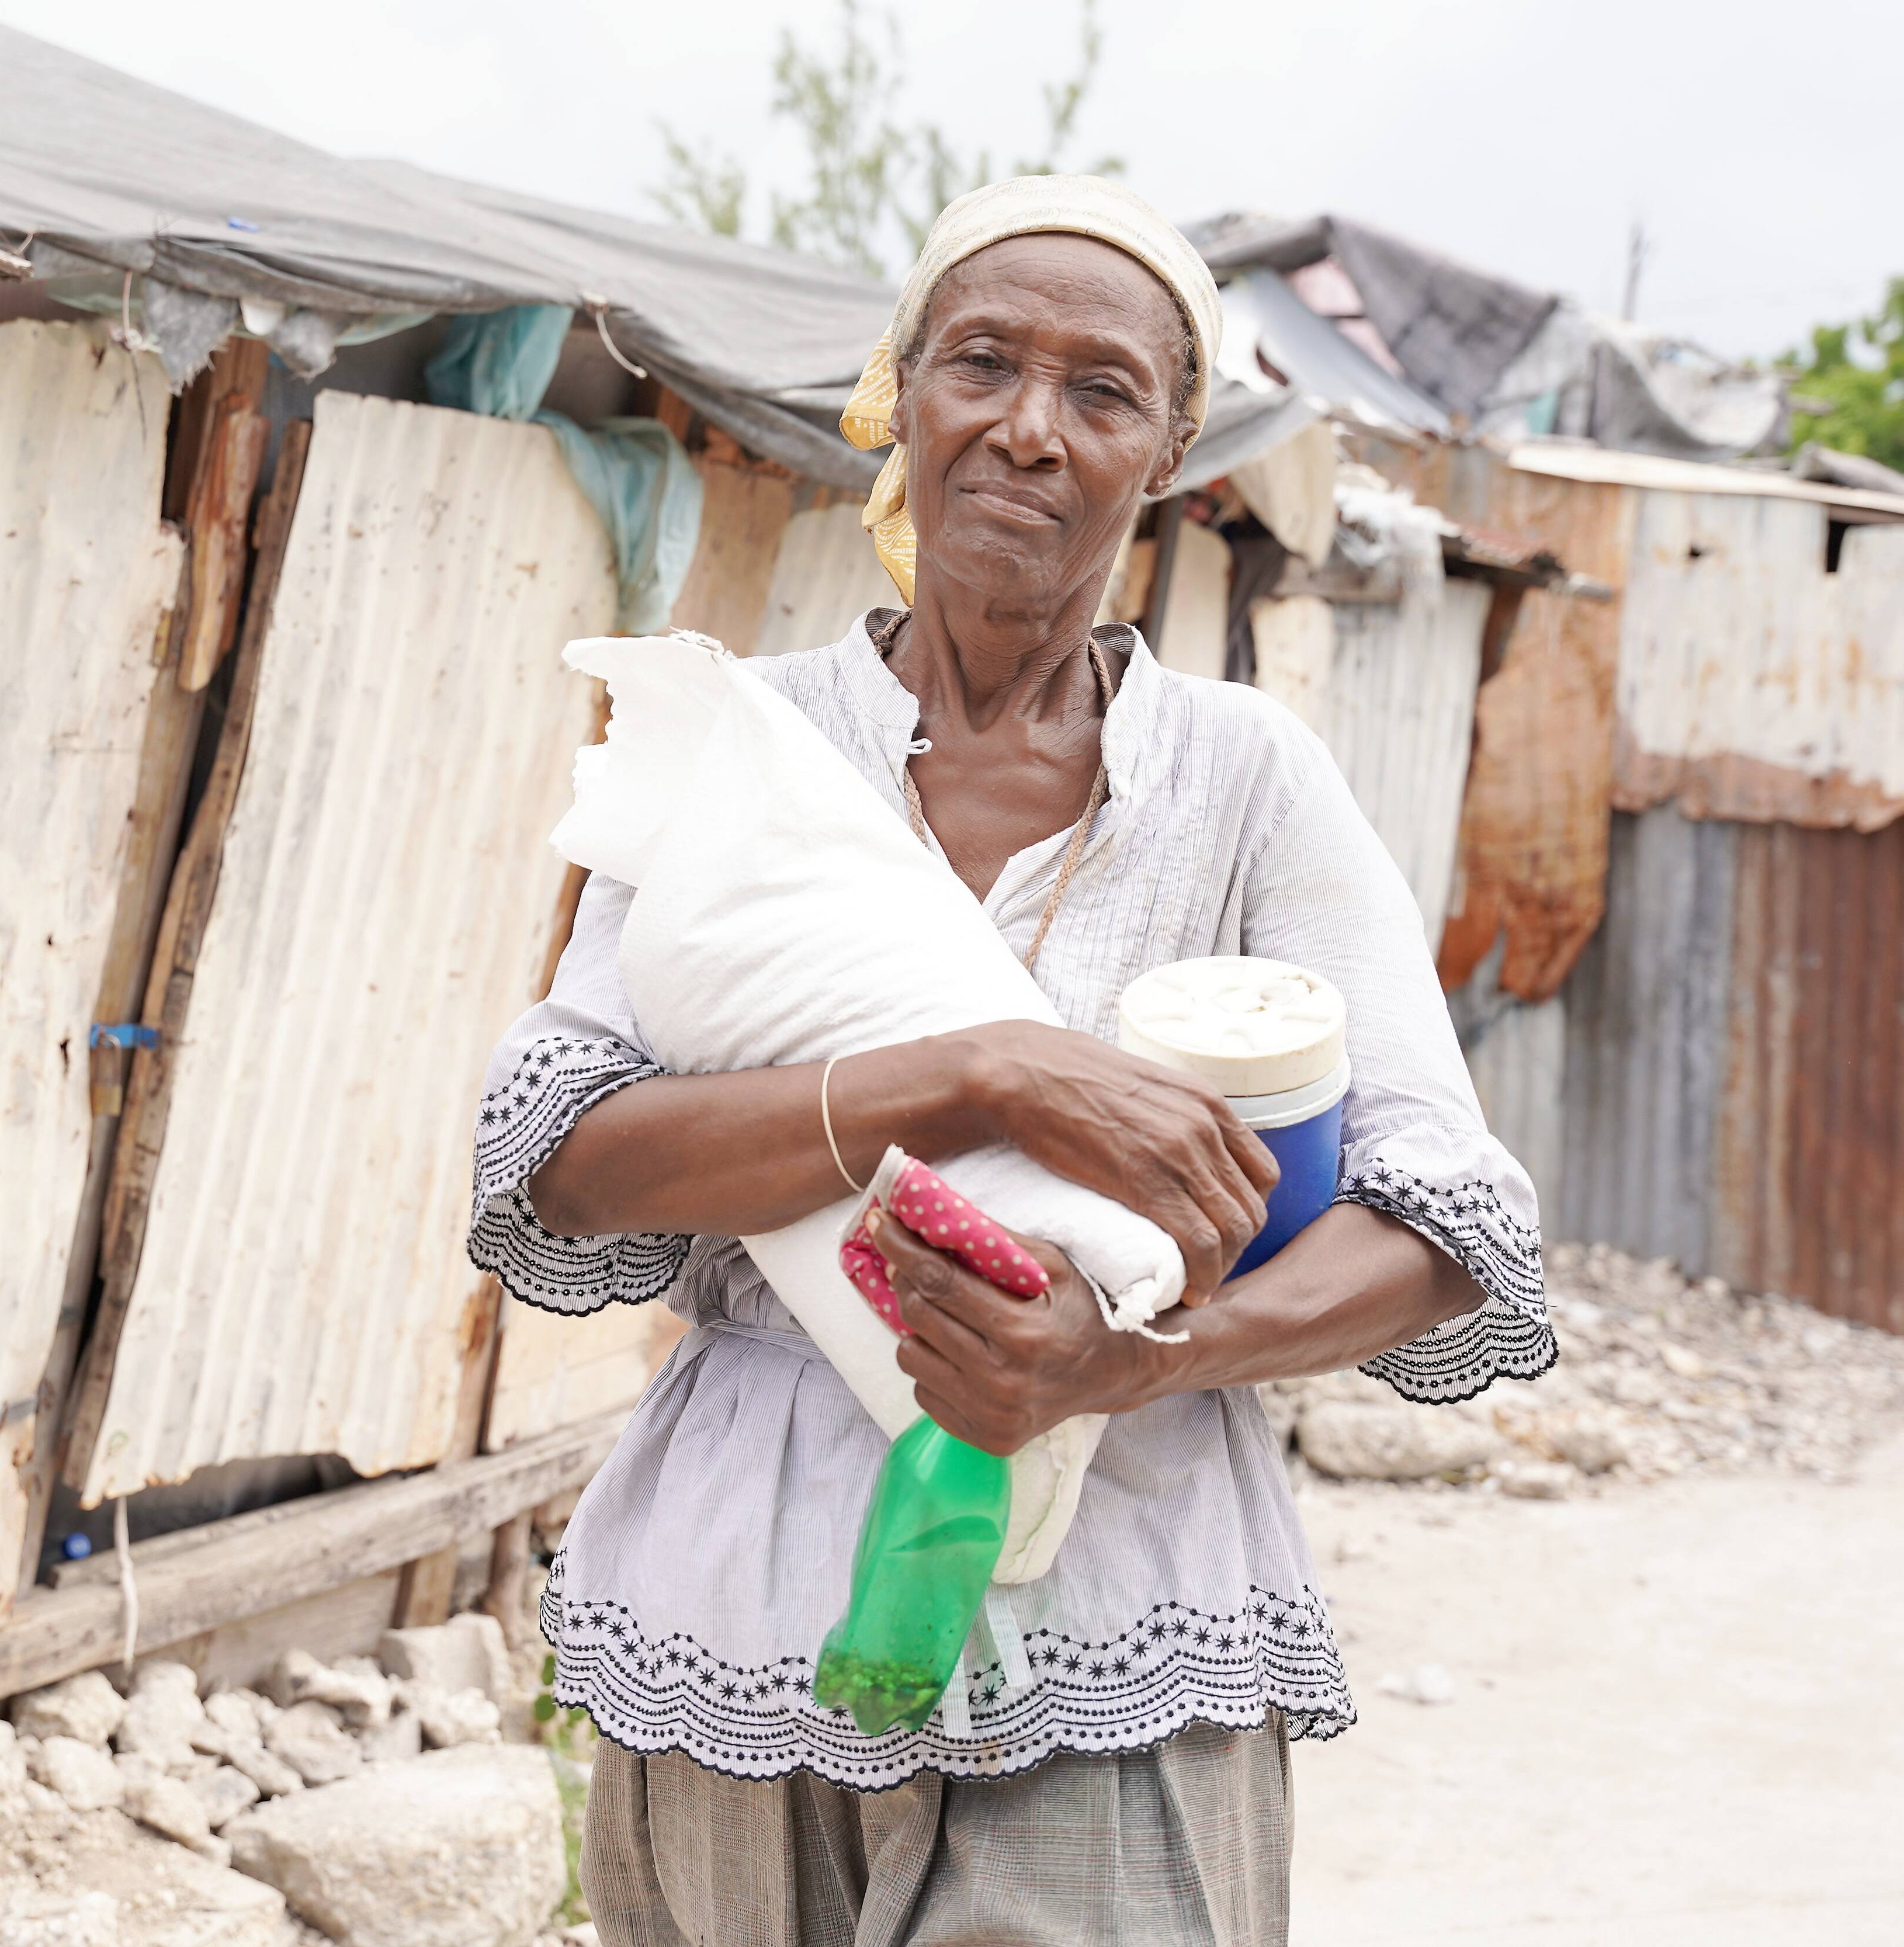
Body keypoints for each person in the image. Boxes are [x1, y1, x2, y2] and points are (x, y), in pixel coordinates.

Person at [464, 175, 1549, 1947]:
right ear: (907, 389)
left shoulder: (1245, 779)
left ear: (1171, 449)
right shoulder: (752, 747)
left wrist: (1118, 1359)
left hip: (1122, 1579)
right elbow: (567, 1153)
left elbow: (1442, 1221)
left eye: (1103, 393)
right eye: (982, 364)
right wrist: (972, 1077)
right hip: (754, 1595)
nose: (1031, 432)